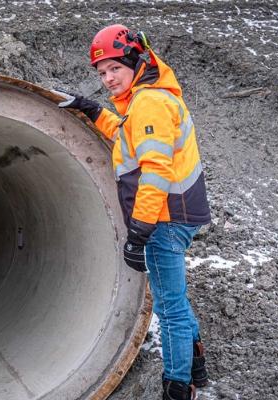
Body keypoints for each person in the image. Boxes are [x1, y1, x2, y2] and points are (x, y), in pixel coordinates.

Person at [53, 24, 211, 400]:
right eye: (102, 73)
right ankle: (197, 364)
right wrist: (92, 110)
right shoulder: (147, 98)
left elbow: (155, 169)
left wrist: (140, 230)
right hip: (179, 217)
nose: (107, 79)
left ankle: (178, 386)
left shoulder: (149, 103)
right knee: (176, 297)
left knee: (169, 308)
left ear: (136, 62)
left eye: (114, 69)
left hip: (164, 221)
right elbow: (129, 136)